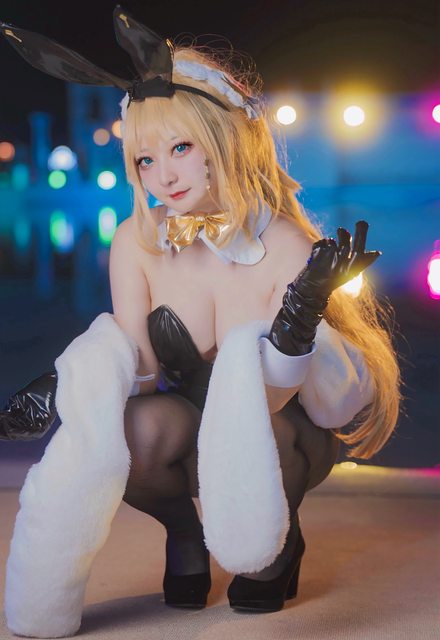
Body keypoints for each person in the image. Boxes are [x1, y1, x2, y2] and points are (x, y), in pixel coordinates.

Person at [0, 5, 401, 630]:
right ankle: (185, 533)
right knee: (128, 429)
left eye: (180, 147)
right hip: (188, 426)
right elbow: (138, 369)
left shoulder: (287, 245)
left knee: (268, 431)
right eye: (145, 160)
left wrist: (301, 312)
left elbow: (291, 398)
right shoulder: (136, 241)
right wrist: (64, 387)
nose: (163, 176)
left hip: (279, 430)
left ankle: (276, 543)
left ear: (223, 139)